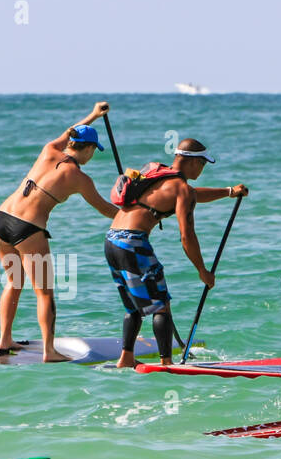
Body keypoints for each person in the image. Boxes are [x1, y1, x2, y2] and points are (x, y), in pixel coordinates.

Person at [0, 101, 119, 361]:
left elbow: (70, 129)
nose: (92, 156)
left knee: (14, 282)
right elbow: (106, 209)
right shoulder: (79, 178)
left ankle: (4, 340)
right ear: (89, 149)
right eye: (94, 151)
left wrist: (93, 115)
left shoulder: (49, 149)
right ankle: (49, 351)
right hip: (27, 229)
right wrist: (138, 213)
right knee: (45, 293)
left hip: (1, 220)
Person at [105, 139, 246, 368]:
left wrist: (229, 192)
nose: (203, 169)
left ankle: (126, 358)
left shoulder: (156, 170)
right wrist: (203, 271)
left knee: (133, 306)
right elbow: (187, 236)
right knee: (161, 306)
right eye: (202, 163)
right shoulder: (182, 189)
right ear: (191, 161)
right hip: (133, 242)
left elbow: (190, 193)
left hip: (111, 239)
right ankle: (166, 363)